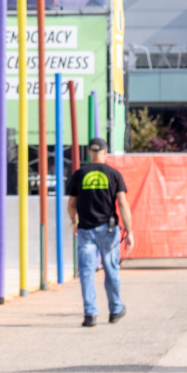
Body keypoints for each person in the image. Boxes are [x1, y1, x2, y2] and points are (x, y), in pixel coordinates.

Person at [66, 137, 134, 327]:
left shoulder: (79, 174)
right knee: (111, 270)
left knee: (87, 273)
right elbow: (122, 204)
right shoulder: (113, 174)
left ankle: (90, 314)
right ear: (105, 152)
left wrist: (75, 221)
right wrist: (129, 232)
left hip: (86, 230)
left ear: (89, 152)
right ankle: (115, 309)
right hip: (109, 230)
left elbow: (71, 205)